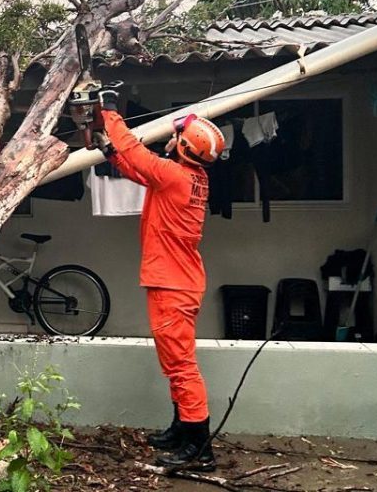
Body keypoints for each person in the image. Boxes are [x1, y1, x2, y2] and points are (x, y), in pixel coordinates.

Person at [94, 89, 225, 472]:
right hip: (176, 281)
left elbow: (138, 156)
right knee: (174, 363)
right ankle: (181, 429)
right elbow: (136, 169)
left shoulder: (173, 176)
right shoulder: (184, 177)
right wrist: (109, 153)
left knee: (182, 366)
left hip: (173, 285)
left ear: (184, 148)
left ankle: (200, 448)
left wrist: (110, 112)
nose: (169, 138)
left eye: (176, 136)